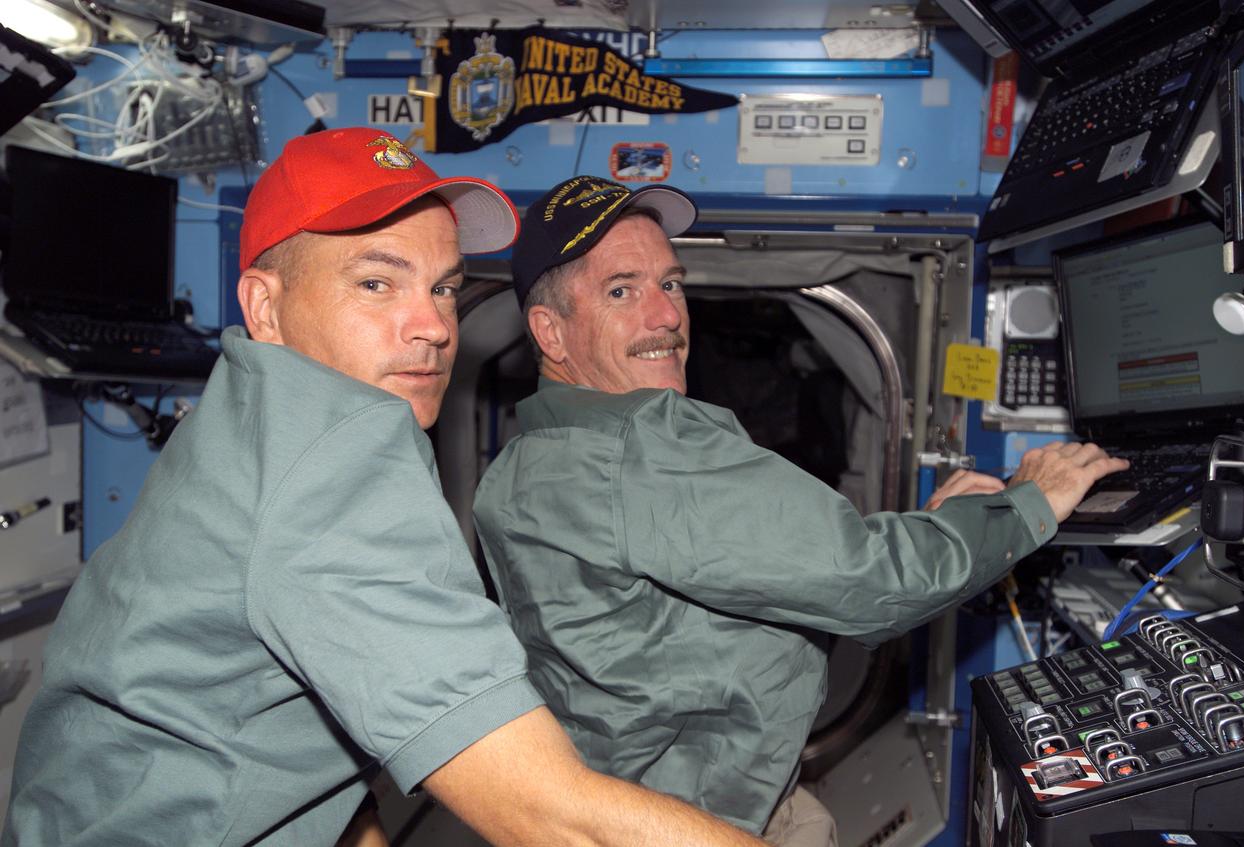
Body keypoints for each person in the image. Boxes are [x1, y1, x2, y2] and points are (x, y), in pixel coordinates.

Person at [2, 131, 768, 847]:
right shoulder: (336, 460)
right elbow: (554, 814)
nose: (433, 325)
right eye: (376, 282)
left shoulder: (246, 412)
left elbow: (311, 740)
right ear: (265, 306)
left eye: (443, 288)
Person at [472, 175, 1129, 846]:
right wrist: (1031, 502)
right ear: (549, 331)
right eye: (621, 290)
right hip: (698, 822)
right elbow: (873, 579)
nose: (666, 315)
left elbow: (758, 570)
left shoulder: (518, 468)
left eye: (669, 283)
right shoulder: (645, 446)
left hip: (616, 808)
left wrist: (936, 523)